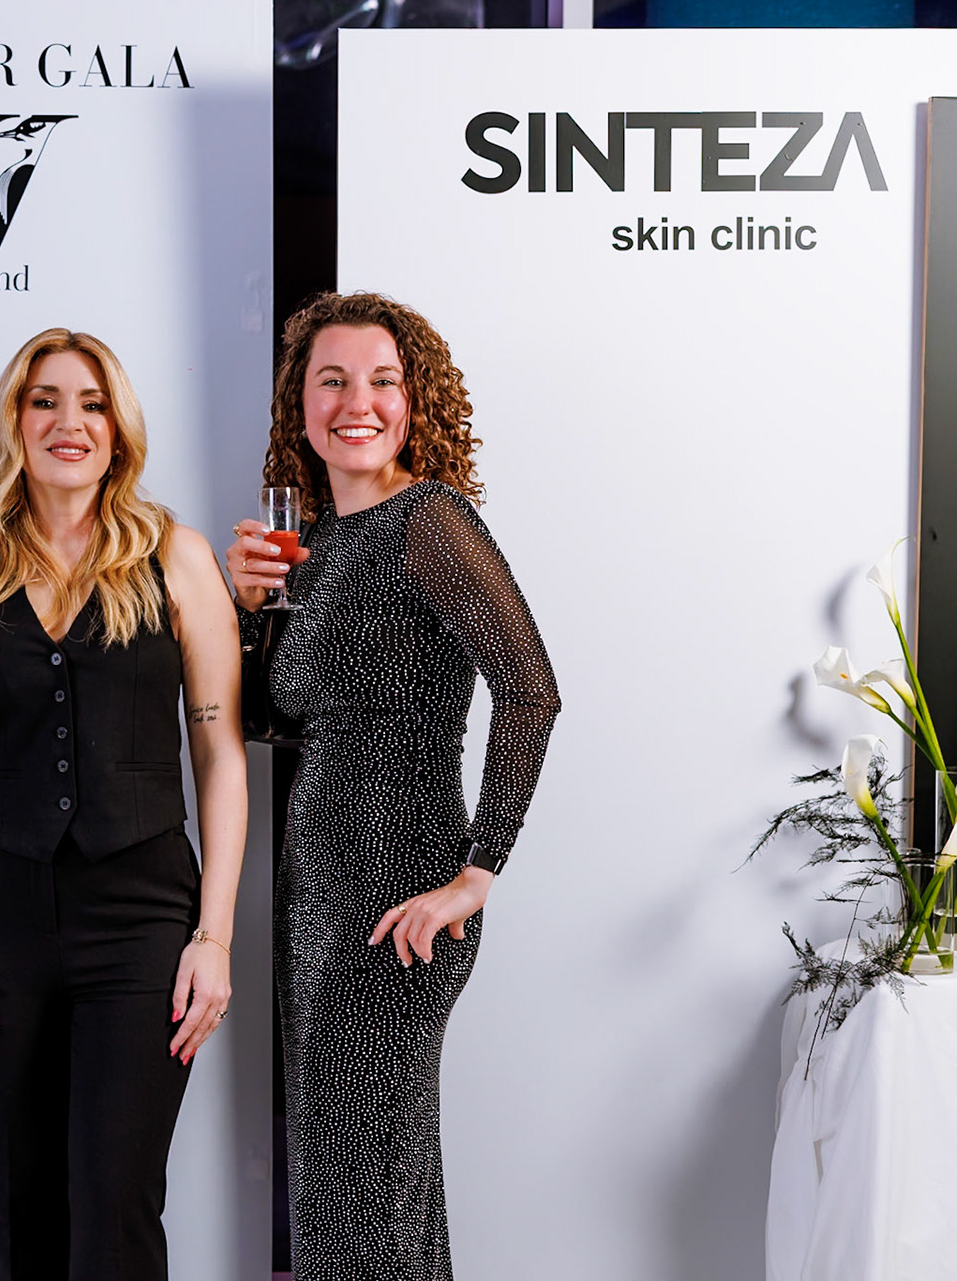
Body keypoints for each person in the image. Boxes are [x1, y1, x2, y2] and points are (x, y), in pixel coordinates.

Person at [225, 291, 560, 1280]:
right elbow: (270, 722)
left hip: (400, 898)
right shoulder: (317, 544)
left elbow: (531, 690)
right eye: (331, 380)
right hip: (317, 896)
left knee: (365, 1191)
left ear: (416, 402)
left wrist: (477, 873)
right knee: (355, 1190)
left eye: (382, 381)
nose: (356, 402)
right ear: (300, 405)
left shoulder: (430, 520)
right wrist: (247, 610)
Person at [0, 328, 247, 1281]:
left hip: (142, 917)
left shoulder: (178, 558)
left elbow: (219, 754)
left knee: (116, 1211)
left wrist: (214, 936)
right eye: (46, 400)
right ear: (14, 421)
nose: (71, 421)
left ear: (118, 427)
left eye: (93, 403)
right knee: (15, 1213)